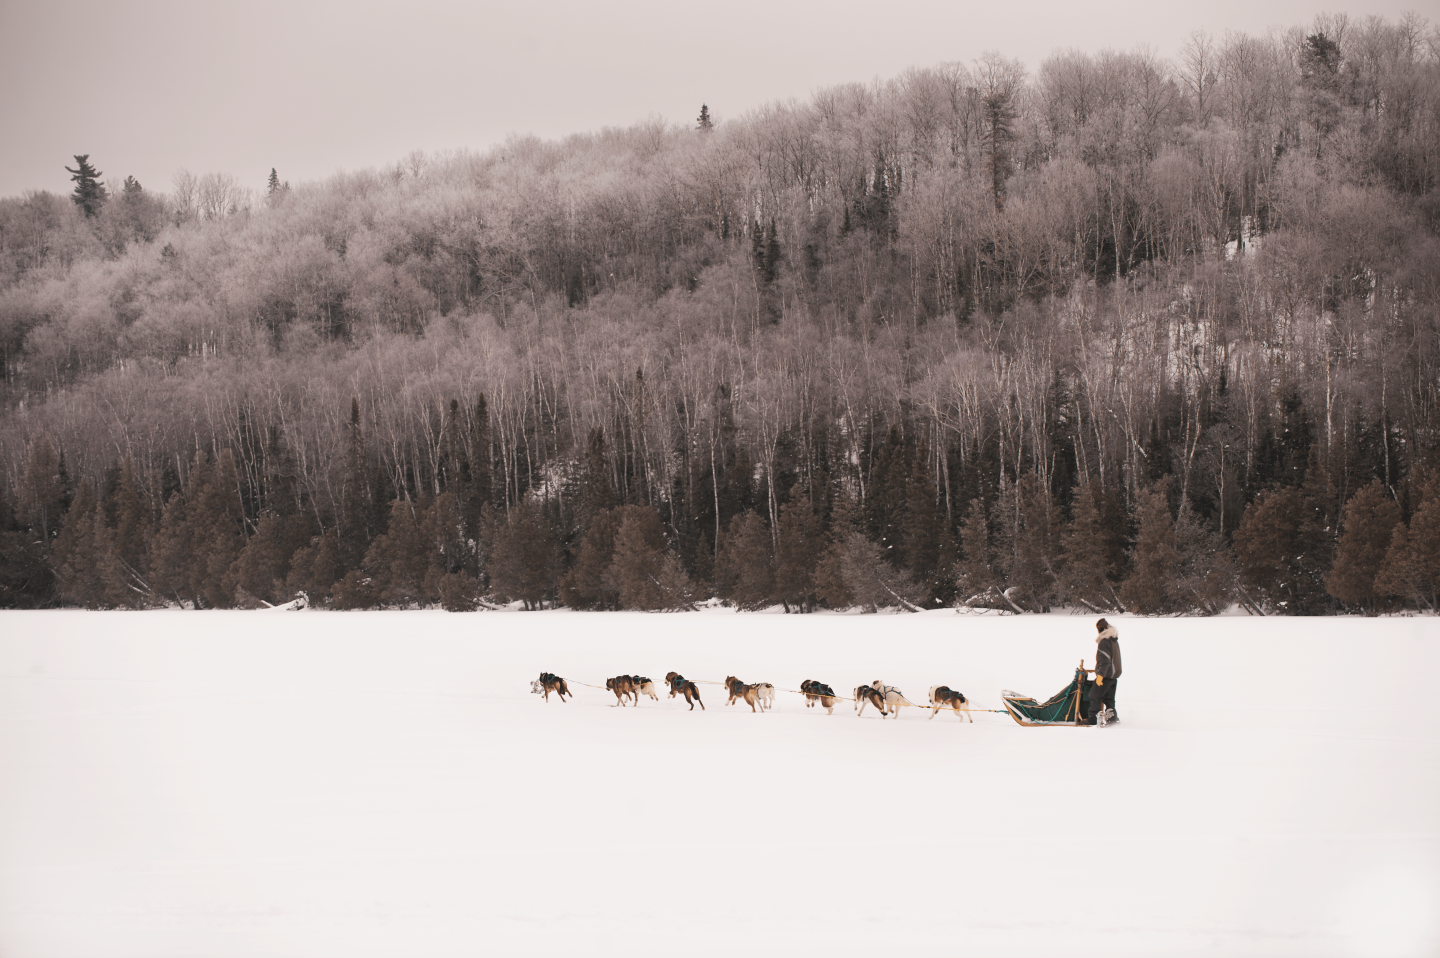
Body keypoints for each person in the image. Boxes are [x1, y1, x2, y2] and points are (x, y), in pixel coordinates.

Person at [1089, 617, 1121, 726]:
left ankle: (1093, 719)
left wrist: (1100, 676)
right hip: (1114, 676)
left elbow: (1105, 661)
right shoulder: (1113, 640)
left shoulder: (1104, 641)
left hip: (1106, 676)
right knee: (1109, 699)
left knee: (1094, 696)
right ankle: (1112, 719)